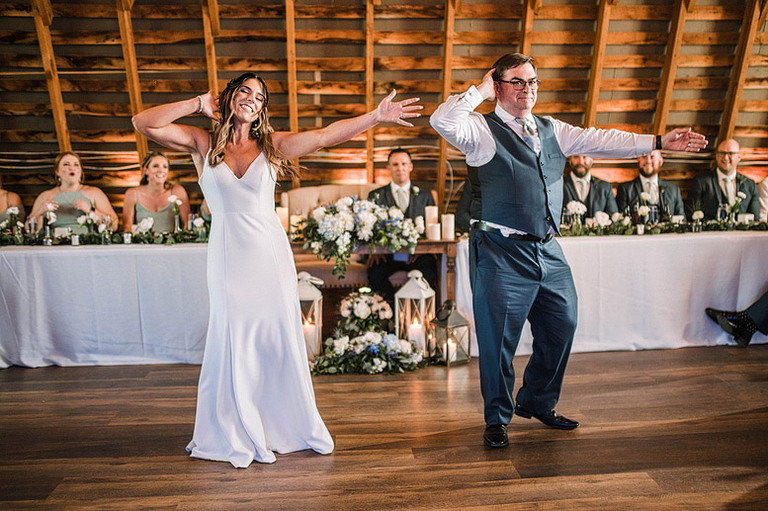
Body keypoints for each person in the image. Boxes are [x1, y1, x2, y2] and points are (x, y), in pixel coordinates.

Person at [132, 72, 421, 467]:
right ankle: (234, 425)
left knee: (272, 337)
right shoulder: (203, 142)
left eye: (259, 96)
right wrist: (198, 103)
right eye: (244, 91)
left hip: (268, 255)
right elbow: (143, 123)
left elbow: (325, 136)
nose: (251, 99)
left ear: (263, 107)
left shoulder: (272, 145)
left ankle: (278, 423)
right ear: (230, 96)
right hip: (226, 254)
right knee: (232, 332)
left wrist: (375, 116)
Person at [429, 52, 707, 449]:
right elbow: (442, 121)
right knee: (498, 341)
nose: (528, 89)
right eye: (518, 82)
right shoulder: (479, 129)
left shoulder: (551, 128)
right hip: (500, 250)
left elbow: (604, 140)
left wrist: (659, 142)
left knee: (563, 323)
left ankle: (538, 402)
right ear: (499, 85)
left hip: (548, 248)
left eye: (533, 82)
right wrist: (480, 90)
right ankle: (497, 417)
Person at [367, 148, 437, 300]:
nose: (400, 168)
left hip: (417, 255)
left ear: (410, 166)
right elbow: (370, 229)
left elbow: (432, 228)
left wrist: (420, 249)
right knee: (374, 271)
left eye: (404, 164)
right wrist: (377, 250)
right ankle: (392, 313)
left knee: (430, 268)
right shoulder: (376, 196)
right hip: (387, 255)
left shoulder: (425, 195)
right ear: (389, 167)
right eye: (395, 164)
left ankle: (416, 314)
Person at [29, 152, 118, 233]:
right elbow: (28, 230)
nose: (72, 168)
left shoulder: (94, 193)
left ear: (81, 171)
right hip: (56, 245)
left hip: (87, 245)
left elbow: (113, 225)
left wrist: (90, 211)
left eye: (76, 165)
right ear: (57, 172)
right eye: (66, 164)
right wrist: (40, 212)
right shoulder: (46, 195)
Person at [688, 139, 759, 220]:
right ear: (716, 156)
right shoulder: (700, 182)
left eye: (730, 153)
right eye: (722, 153)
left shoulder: (750, 184)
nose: (725, 157)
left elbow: (755, 219)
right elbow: (691, 216)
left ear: (739, 157)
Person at [122, 151, 191, 233]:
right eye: (155, 166)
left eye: (165, 167)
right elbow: (127, 227)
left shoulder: (177, 191)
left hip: (171, 244)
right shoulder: (132, 193)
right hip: (142, 245)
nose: (161, 170)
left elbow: (187, 224)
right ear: (146, 170)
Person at [615, 150, 685, 220]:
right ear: (638, 159)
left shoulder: (673, 190)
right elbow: (621, 222)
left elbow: (682, 221)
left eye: (652, 157)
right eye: (644, 156)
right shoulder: (625, 189)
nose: (648, 161)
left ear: (660, 161)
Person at [562, 154, 618, 218]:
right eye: (576, 157)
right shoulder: (560, 186)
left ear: (591, 160)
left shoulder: (605, 187)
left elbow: (614, 218)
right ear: (570, 160)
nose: (581, 162)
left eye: (585, 157)